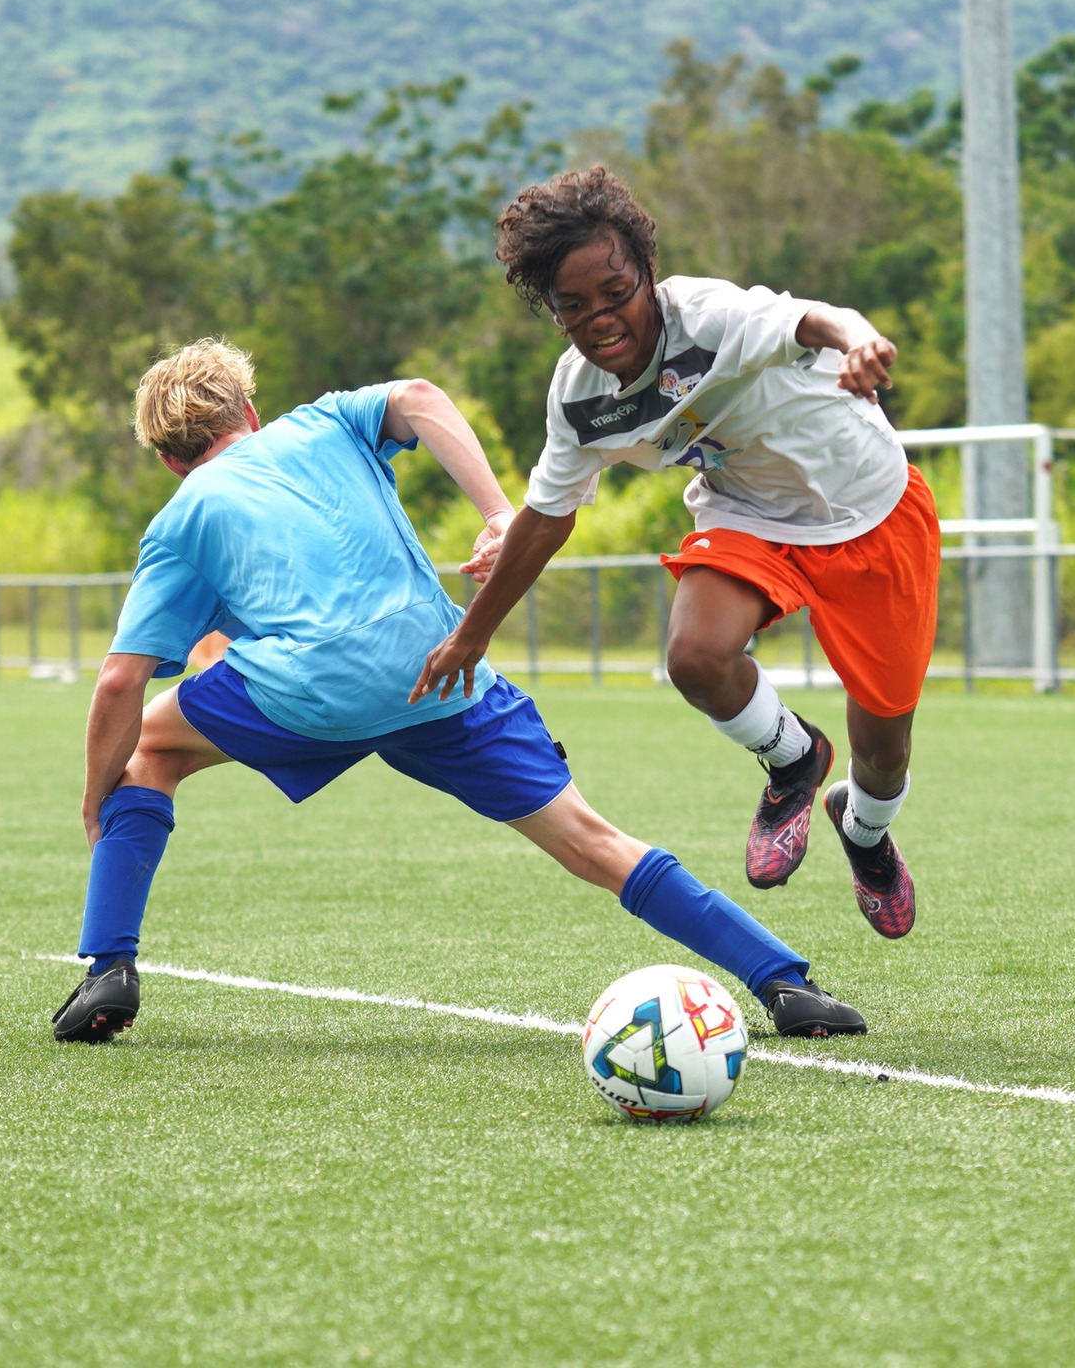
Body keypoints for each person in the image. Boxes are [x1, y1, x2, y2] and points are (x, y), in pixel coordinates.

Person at [52, 339, 866, 1044]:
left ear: (169, 459)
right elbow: (419, 396)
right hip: (440, 670)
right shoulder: (326, 422)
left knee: (148, 752)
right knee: (590, 841)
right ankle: (783, 982)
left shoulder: (180, 518)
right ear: (251, 412)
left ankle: (108, 966)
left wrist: (96, 797)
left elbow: (121, 679)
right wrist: (500, 514)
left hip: (308, 695)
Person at [411, 166, 939, 941]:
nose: (600, 319)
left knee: (885, 750)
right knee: (695, 656)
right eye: (573, 306)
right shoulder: (580, 397)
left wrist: (860, 342)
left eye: (615, 291)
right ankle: (794, 758)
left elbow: (817, 318)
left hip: (872, 513)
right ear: (552, 311)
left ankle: (863, 833)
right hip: (748, 516)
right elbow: (547, 517)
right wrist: (471, 634)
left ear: (648, 273)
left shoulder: (710, 318)